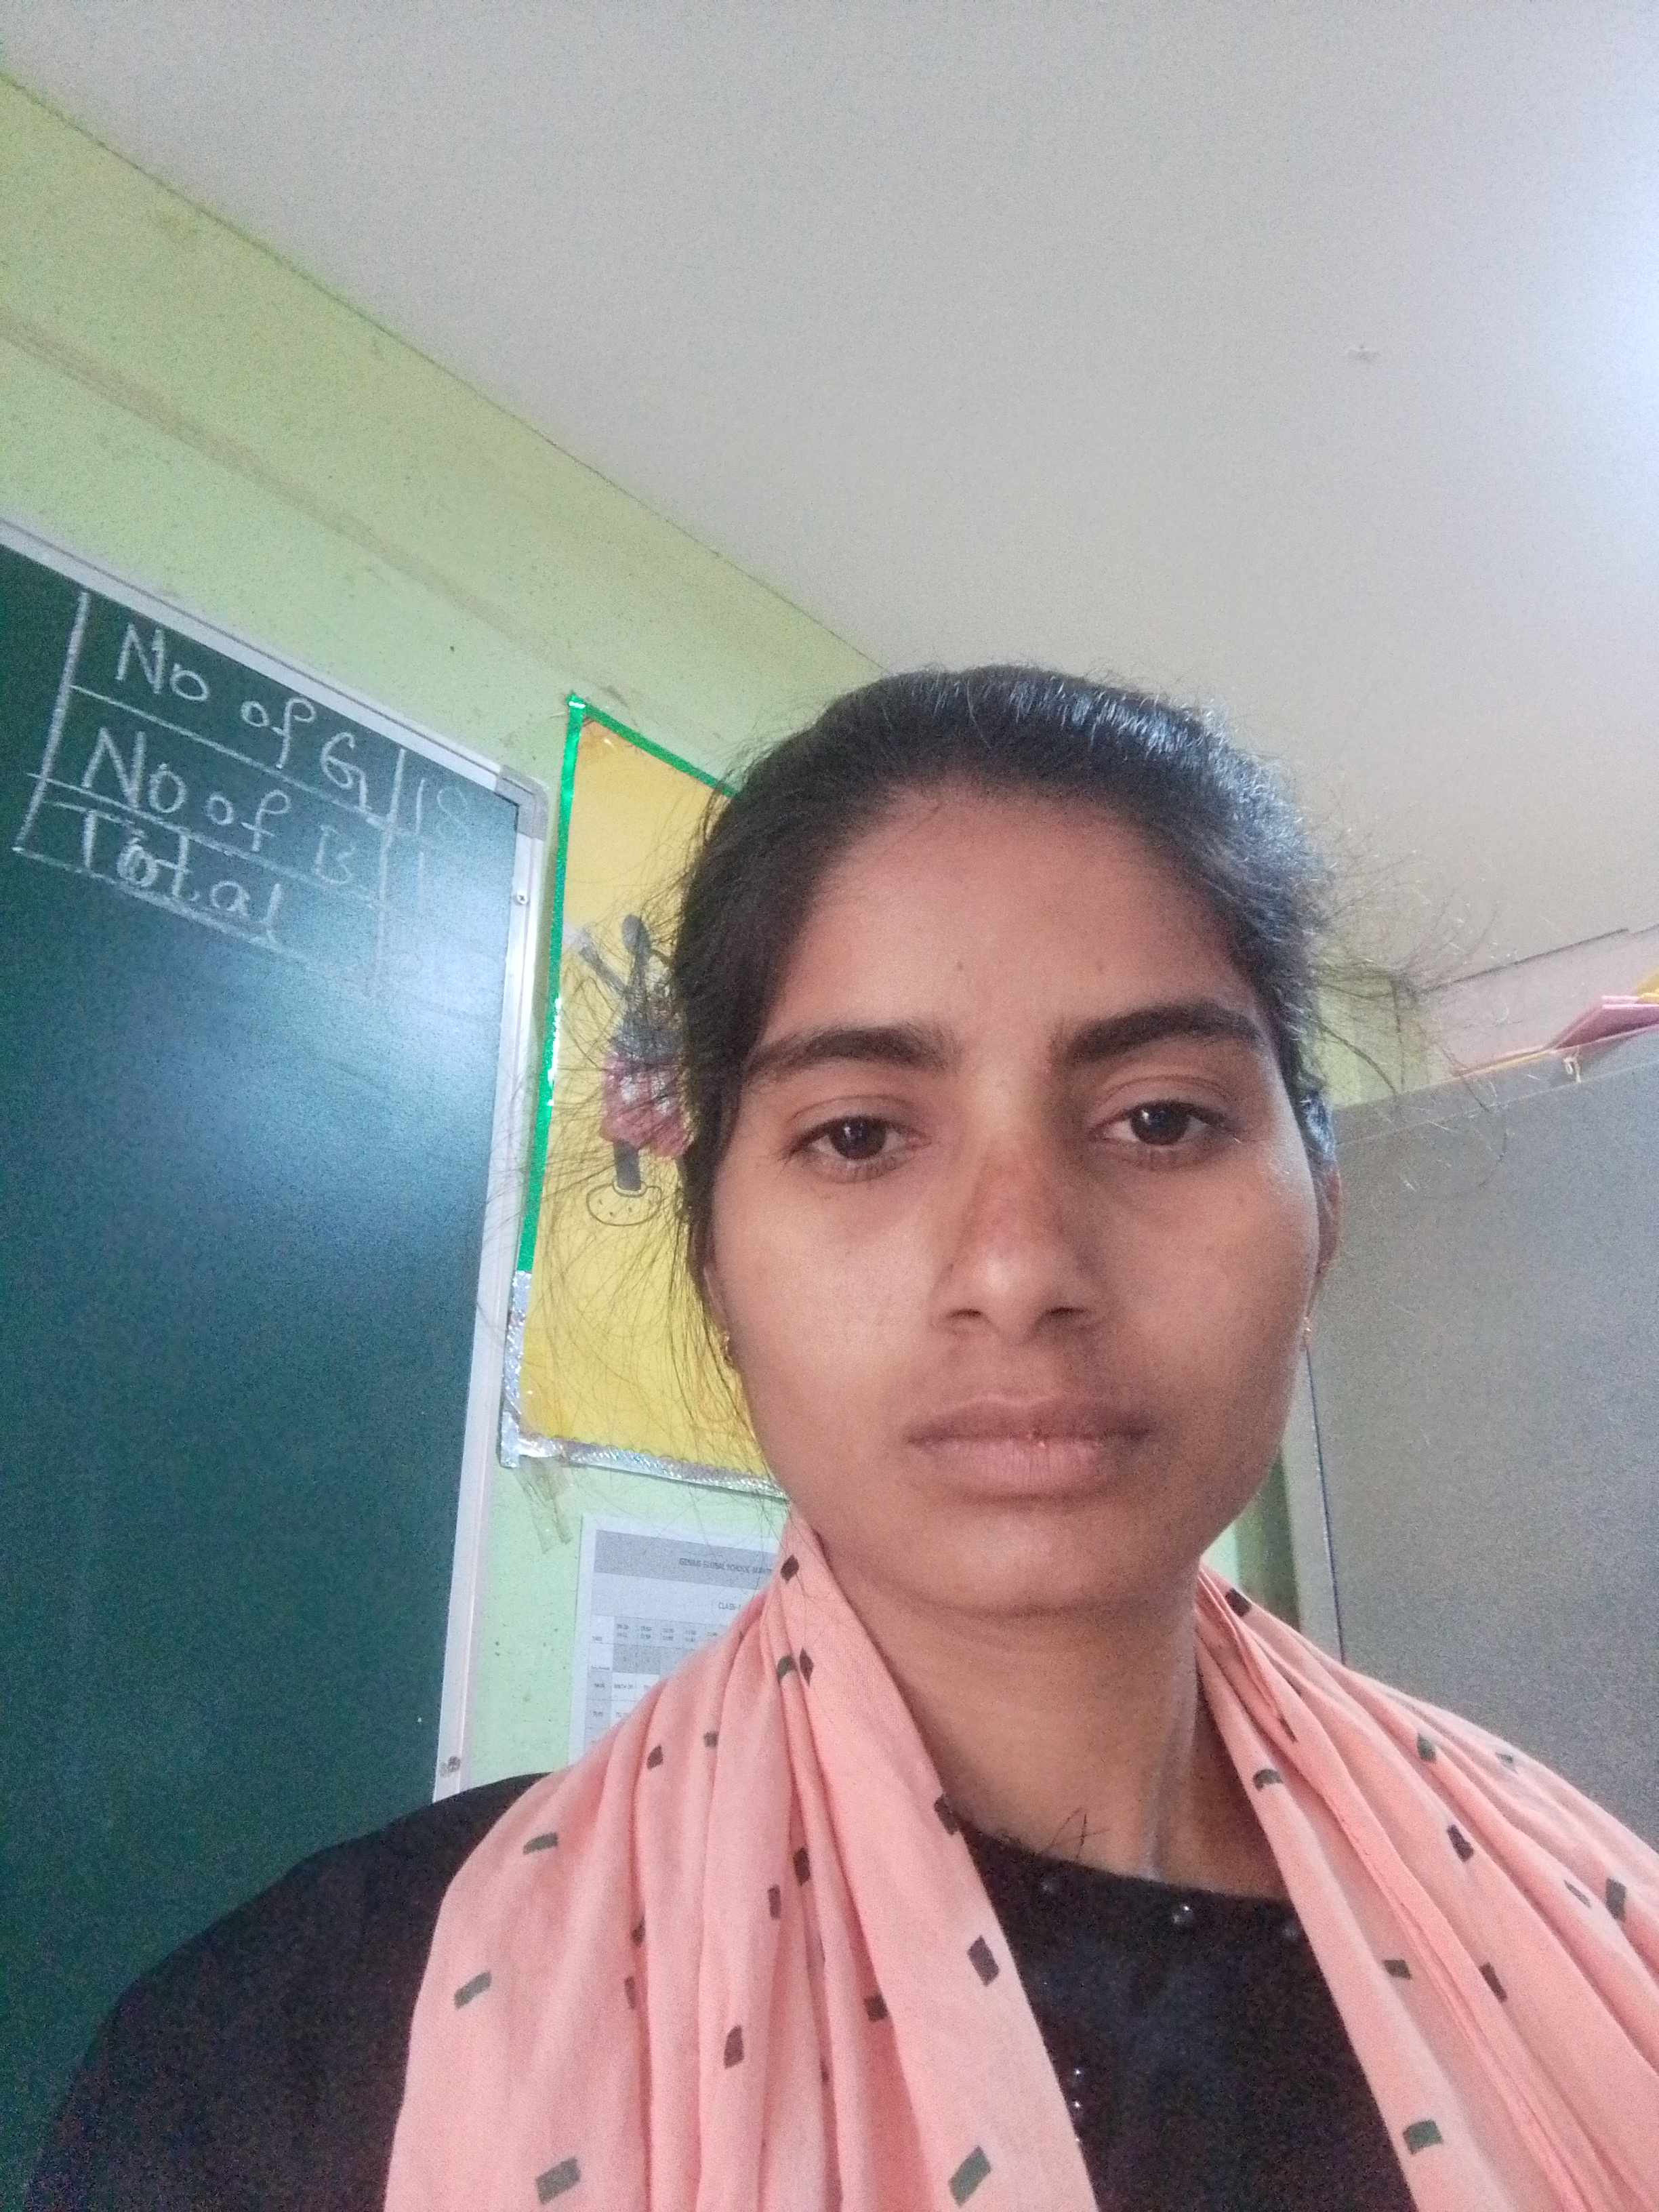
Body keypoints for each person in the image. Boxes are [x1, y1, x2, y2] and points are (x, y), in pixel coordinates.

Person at [31, 668, 1658, 2212]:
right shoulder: (290, 2061)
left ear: (1325, 1225)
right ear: (716, 1268)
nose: (1017, 1268)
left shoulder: (1605, 1936)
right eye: (861, 1135)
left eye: (1161, 1119)